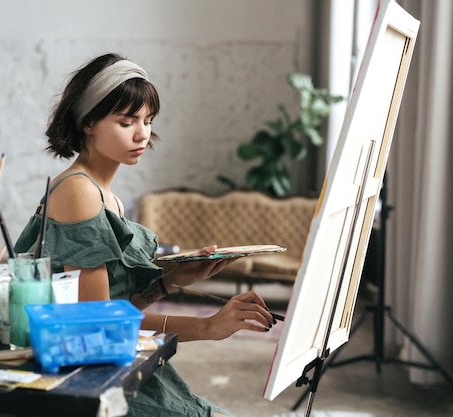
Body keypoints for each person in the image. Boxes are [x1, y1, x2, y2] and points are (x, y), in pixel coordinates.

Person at [14, 53, 276, 417]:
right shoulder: (78, 192)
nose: (142, 134)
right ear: (88, 123)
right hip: (80, 378)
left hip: (110, 364)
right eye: (126, 121)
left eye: (147, 120)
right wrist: (208, 326)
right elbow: (99, 322)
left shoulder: (110, 201)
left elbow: (114, 309)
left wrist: (169, 281)